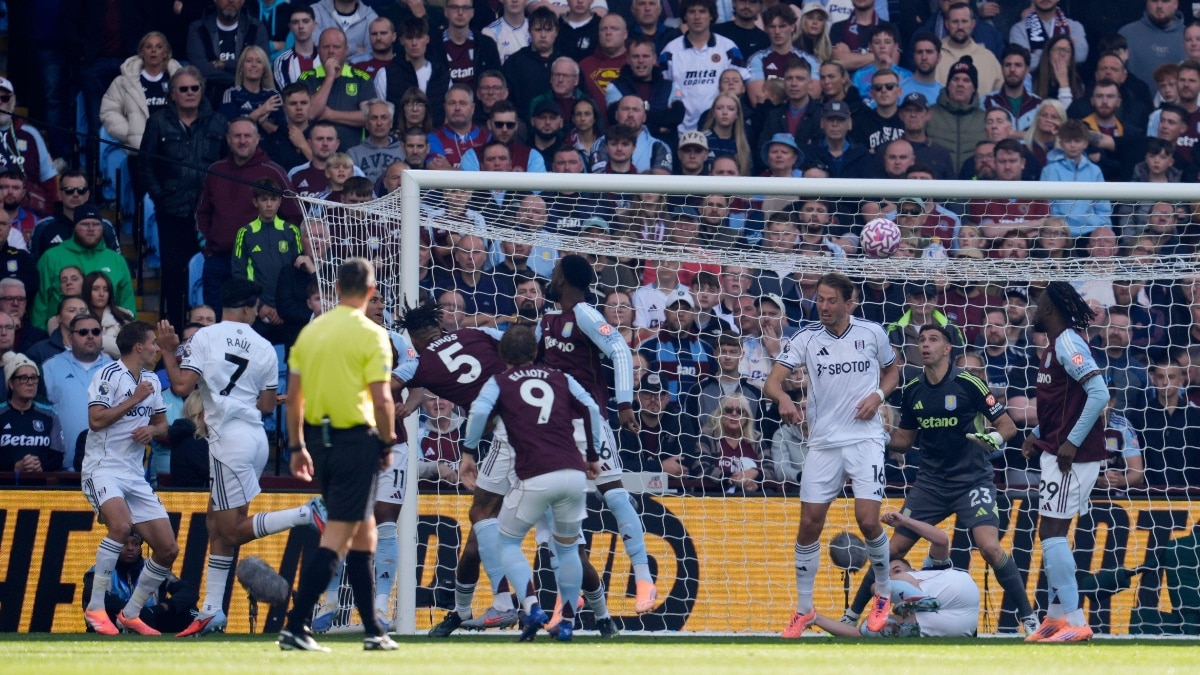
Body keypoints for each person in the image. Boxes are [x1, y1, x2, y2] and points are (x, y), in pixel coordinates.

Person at [154, 280, 324, 636]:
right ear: (249, 308)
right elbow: (264, 405)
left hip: (228, 440)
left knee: (229, 529)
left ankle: (307, 513)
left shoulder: (205, 337)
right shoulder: (264, 347)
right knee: (215, 523)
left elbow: (181, 387)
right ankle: (214, 609)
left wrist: (169, 350)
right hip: (254, 438)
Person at [841, 324, 1037, 632]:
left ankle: (1028, 617)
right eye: (921, 340)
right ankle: (852, 616)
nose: (925, 345)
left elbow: (1008, 427)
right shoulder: (912, 391)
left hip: (972, 480)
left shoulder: (969, 383)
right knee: (891, 551)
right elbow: (905, 440)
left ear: (947, 349)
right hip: (930, 484)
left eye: (933, 340)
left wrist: (994, 441)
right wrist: (877, 437)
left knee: (990, 547)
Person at [763, 271, 899, 638]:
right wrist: (785, 397)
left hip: (865, 438)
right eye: (820, 299)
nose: (823, 306)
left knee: (868, 520)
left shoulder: (872, 334)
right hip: (823, 442)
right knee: (809, 525)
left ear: (849, 302)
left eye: (831, 300)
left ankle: (883, 593)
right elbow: (771, 383)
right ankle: (804, 610)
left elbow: (892, 371)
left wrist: (879, 396)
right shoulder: (805, 339)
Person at [280, 258, 397, 652]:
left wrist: (297, 447)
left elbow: (294, 398)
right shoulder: (372, 334)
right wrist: (387, 441)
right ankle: (296, 625)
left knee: (365, 534)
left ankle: (374, 632)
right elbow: (382, 399)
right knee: (338, 537)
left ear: (335, 287)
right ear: (370, 291)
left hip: (317, 440)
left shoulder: (311, 334)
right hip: (355, 442)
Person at [463, 324, 603, 641]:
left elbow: (478, 412)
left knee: (506, 541)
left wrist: (468, 452)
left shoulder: (499, 382)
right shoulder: (560, 377)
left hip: (535, 474)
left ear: (502, 354)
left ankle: (530, 605)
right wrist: (593, 454)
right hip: (573, 474)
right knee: (568, 551)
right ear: (535, 352)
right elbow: (592, 407)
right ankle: (568, 621)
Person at [540, 255, 656, 612]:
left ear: (563, 279)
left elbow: (620, 351)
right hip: (552, 425)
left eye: (556, 269)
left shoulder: (586, 314)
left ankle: (643, 578)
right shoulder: (545, 320)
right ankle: (568, 588)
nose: (551, 273)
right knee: (548, 503)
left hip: (587, 419)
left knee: (614, 493)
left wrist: (624, 404)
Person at [1021, 282, 1107, 643]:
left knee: (1051, 533)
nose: (1033, 311)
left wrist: (1070, 442)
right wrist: (1039, 431)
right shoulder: (1054, 347)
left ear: (1050, 310)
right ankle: (1055, 619)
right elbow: (1064, 402)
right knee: (1053, 533)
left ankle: (1075, 621)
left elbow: (1099, 392)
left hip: (1071, 457)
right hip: (1058, 450)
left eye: (1038, 306)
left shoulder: (1068, 343)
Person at [81, 322, 177, 637]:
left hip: (134, 474)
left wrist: (153, 430)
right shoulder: (108, 376)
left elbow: (163, 424)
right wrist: (134, 400)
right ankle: (96, 608)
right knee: (121, 528)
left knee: (167, 549)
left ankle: (131, 613)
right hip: (102, 467)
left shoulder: (151, 379)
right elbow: (95, 421)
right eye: (153, 343)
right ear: (138, 346)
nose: (156, 348)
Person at [138, 66, 229, 330]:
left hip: (210, 215)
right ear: (172, 94)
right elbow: (146, 165)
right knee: (174, 275)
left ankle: (212, 329)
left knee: (210, 274)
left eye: (195, 88)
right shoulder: (157, 122)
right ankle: (176, 330)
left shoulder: (218, 122)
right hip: (173, 212)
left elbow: (226, 166)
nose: (190, 93)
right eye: (183, 89)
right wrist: (159, 195)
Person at [810, 511, 981, 638]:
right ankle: (917, 603)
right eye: (892, 575)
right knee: (868, 630)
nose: (893, 575)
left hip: (959, 591)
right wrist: (814, 617)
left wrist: (905, 521)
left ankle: (920, 598)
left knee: (877, 585)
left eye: (897, 570)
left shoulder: (930, 570)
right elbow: (858, 634)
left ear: (913, 570)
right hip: (959, 627)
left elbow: (941, 540)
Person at [196, 118, 299, 315]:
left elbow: (295, 216)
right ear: (228, 139)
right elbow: (202, 213)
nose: (242, 141)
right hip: (218, 261)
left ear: (258, 139)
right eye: (237, 136)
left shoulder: (273, 171)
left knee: (250, 325)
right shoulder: (215, 171)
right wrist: (207, 249)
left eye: (247, 136)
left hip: (256, 264)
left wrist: (274, 250)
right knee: (217, 322)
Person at [33, 204, 134, 334]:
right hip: (59, 335)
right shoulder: (51, 257)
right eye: (85, 224)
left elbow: (127, 301)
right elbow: (40, 302)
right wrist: (39, 335)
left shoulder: (116, 260)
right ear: (74, 227)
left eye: (96, 224)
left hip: (108, 335)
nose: (91, 229)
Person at [81, 533, 199, 634]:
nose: (130, 548)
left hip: (151, 620)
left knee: (189, 609)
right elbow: (89, 593)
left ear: (141, 548)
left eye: (135, 543)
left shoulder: (154, 569)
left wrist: (159, 609)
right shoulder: (102, 568)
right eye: (124, 544)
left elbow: (189, 591)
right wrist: (134, 612)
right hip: (114, 621)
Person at [661, 0, 748, 132]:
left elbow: (739, 89)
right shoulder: (670, 51)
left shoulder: (729, 48)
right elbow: (663, 91)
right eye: (692, 12)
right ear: (685, 16)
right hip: (681, 131)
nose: (697, 17)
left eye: (702, 11)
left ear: (711, 15)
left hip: (719, 130)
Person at [43, 314, 113, 470]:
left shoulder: (115, 369)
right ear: (69, 337)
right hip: (60, 468)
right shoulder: (50, 367)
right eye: (83, 332)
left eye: (95, 331)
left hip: (106, 470)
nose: (90, 336)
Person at [100, 31, 183, 158]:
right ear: (141, 52)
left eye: (159, 47)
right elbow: (108, 112)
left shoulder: (180, 81)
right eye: (148, 47)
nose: (153, 51)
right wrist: (132, 133)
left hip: (175, 149)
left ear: (165, 53)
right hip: (139, 151)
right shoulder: (123, 82)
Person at [299, 28, 376, 152]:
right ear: (318, 50)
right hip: (314, 155)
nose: (331, 51)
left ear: (346, 51)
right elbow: (311, 113)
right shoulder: (307, 78)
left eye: (336, 47)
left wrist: (330, 114)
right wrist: (330, 77)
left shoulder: (362, 78)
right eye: (326, 47)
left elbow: (369, 117)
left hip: (352, 155)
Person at [186, 0, 271, 105]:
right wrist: (239, 78)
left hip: (248, 100)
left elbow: (262, 63)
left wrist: (224, 65)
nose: (231, 1)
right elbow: (199, 68)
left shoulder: (256, 28)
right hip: (207, 100)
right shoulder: (198, 28)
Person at [29, 172, 119, 263]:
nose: (75, 194)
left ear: (87, 195)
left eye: (81, 190)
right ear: (60, 194)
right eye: (69, 190)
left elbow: (117, 263)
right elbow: (33, 265)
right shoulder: (43, 227)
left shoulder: (104, 226)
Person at [0, 352, 65, 472]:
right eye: (23, 378)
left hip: (40, 487)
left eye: (34, 377)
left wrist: (41, 467)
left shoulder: (50, 415)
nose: (30, 383)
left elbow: (58, 456)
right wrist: (14, 466)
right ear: (11, 384)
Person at [83, 271, 134, 360]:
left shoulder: (125, 316)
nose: (101, 294)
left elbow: (130, 351)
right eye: (95, 289)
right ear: (87, 291)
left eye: (105, 289)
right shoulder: (79, 317)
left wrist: (97, 342)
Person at [312, 0, 380, 58]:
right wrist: (355, 49)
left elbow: (370, 52)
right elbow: (315, 43)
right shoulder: (315, 11)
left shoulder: (371, 17)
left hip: (358, 70)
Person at [274, 5, 320, 87]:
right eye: (295, 22)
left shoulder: (325, 58)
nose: (301, 26)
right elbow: (286, 95)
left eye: (305, 21)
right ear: (290, 27)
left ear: (314, 25)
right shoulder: (282, 62)